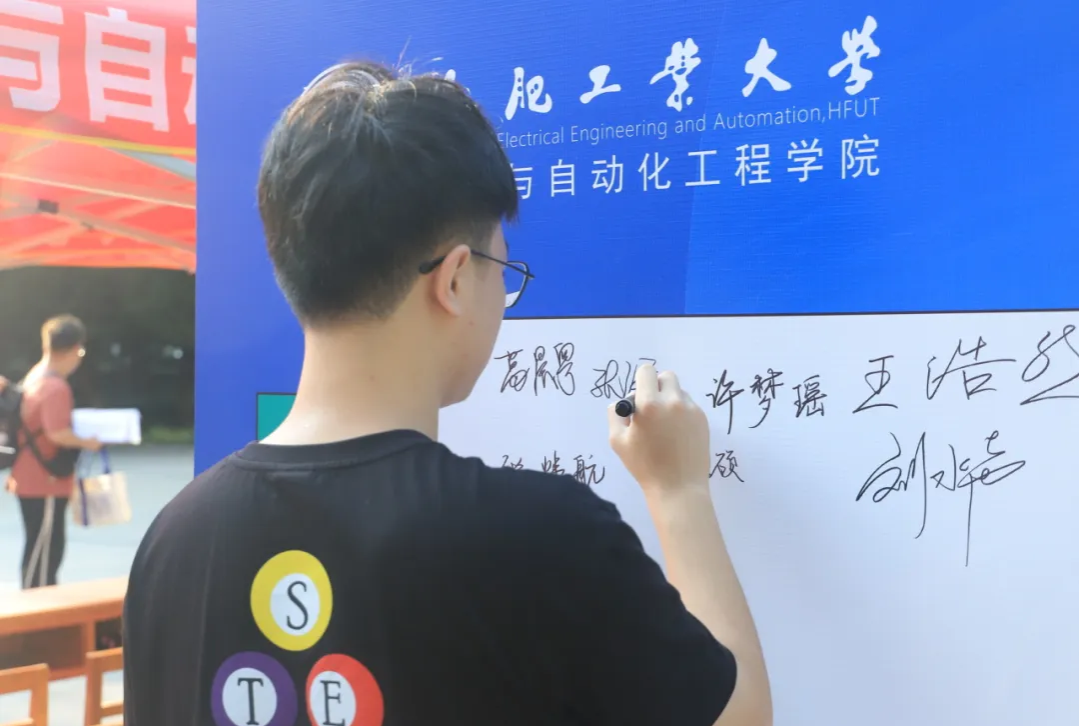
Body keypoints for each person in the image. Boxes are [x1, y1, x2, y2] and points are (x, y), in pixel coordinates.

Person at [123, 61, 772, 726]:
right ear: (456, 278)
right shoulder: (539, 535)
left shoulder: (174, 540)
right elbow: (740, 716)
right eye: (502, 269)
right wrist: (679, 492)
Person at [5, 315, 101, 588]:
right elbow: (57, 432)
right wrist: (90, 441)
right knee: (45, 553)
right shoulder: (56, 386)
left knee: (40, 546)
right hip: (45, 480)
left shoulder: (35, 376)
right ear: (76, 349)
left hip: (28, 475)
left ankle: (38, 603)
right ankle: (37, 608)